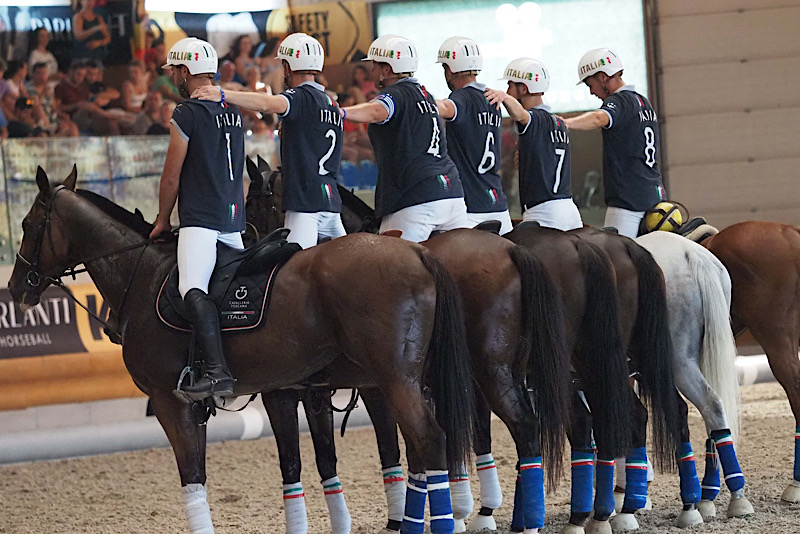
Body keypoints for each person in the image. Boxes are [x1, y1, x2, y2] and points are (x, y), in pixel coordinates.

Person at [149, 37, 244, 401]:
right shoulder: (232, 110)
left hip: (201, 219)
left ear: (185, 72)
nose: (173, 76)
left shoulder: (186, 112)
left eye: (174, 70)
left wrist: (162, 220)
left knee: (192, 288)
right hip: (234, 219)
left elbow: (171, 175)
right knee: (226, 291)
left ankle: (218, 374)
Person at [194, 32, 346, 250]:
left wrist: (223, 94)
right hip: (331, 202)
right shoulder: (332, 104)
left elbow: (266, 104)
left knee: (292, 274)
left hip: (304, 204)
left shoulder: (299, 97)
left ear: (287, 66)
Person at [341, 34, 469, 243]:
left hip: (416, 198)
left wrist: (340, 112)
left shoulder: (396, 94)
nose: (371, 71)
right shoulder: (426, 95)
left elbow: (376, 111)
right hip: (452, 195)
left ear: (387, 70)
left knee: (385, 268)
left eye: (374, 65)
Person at [564, 47, 665, 238]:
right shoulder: (643, 102)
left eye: (589, 84)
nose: (592, 92)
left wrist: (566, 123)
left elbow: (598, 118)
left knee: (615, 261)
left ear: (602, 77)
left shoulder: (620, 101)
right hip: (654, 194)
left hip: (628, 201)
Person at [485, 58, 583, 231]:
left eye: (510, 85)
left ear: (523, 88)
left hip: (544, 214)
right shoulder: (558, 122)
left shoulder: (534, 119)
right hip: (570, 211)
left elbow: (521, 115)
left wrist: (504, 97)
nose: (507, 90)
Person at [435, 36, 513, 234]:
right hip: (499, 206)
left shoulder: (461, 97)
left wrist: (415, 100)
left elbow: (445, 107)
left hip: (470, 209)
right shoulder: (493, 99)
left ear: (449, 69)